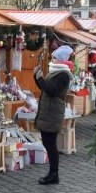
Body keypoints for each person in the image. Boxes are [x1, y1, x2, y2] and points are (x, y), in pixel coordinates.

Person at [34, 45, 73, 185]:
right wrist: (37, 77)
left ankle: (54, 174)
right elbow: (45, 88)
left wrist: (40, 79)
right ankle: (52, 173)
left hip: (53, 113)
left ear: (61, 60)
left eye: (55, 58)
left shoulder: (63, 75)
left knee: (50, 144)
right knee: (47, 142)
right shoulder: (56, 72)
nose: (52, 60)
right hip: (49, 112)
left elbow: (52, 90)